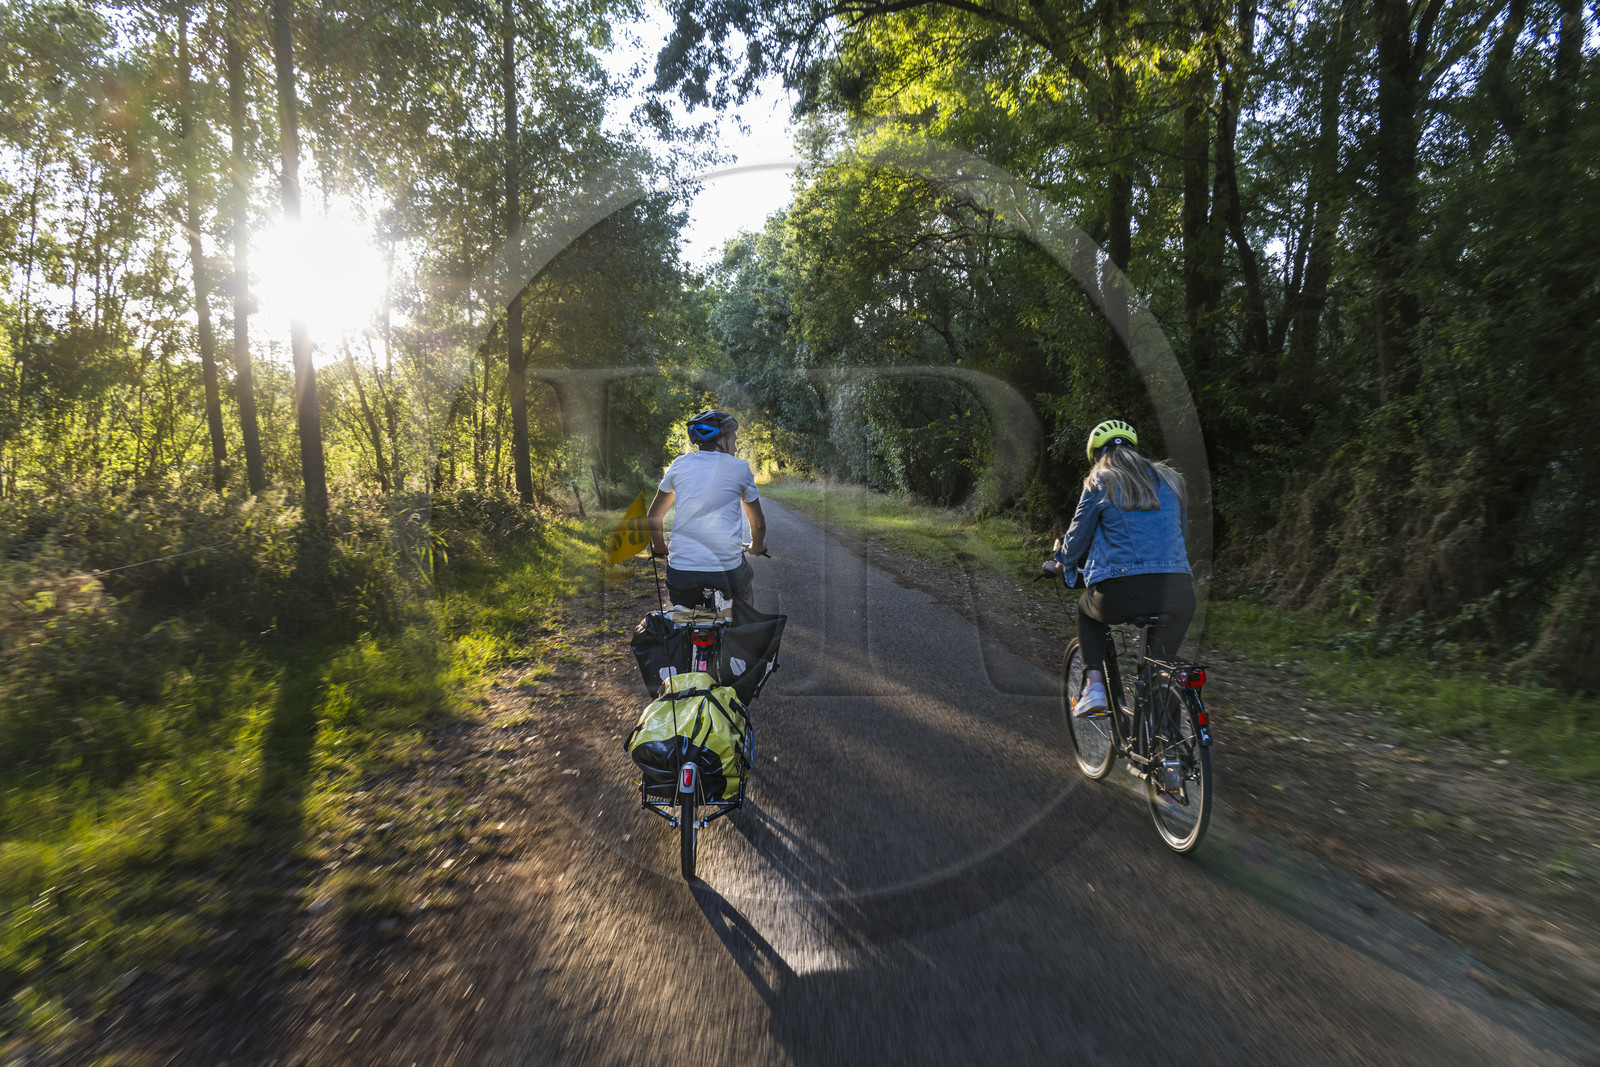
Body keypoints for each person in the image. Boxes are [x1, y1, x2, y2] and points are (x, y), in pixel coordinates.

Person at [1043, 419, 1194, 716]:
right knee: (1158, 669)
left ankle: (1094, 687)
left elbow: (1076, 540)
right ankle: (1168, 750)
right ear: (1134, 450)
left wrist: (1060, 563)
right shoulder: (1172, 480)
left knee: (1086, 612)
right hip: (1179, 593)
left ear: (1097, 455)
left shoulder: (1100, 480)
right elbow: (1180, 533)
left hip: (1121, 593)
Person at [647, 409, 767, 608]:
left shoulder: (679, 464)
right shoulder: (740, 467)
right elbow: (758, 524)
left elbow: (654, 516)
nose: (735, 448)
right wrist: (757, 546)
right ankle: (744, 630)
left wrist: (659, 547)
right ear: (722, 441)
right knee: (745, 595)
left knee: (682, 616)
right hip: (727, 569)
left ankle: (684, 636)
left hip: (682, 571)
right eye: (734, 440)